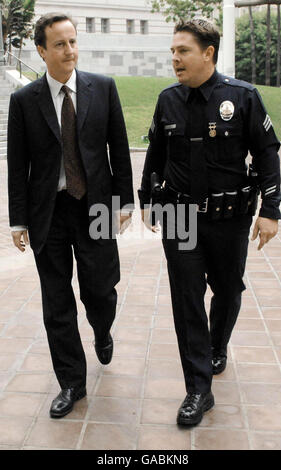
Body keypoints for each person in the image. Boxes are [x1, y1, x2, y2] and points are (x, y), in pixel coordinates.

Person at [138, 18, 281, 426]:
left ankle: (217, 346)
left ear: (208, 53)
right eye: (173, 52)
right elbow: (155, 153)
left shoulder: (243, 96)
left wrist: (271, 210)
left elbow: (267, 154)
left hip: (230, 218)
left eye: (183, 51)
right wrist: (147, 198)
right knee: (186, 300)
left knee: (227, 290)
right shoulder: (168, 100)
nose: (175, 59)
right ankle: (198, 390)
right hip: (179, 214)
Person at [7, 13, 134, 418]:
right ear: (41, 51)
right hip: (49, 213)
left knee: (100, 288)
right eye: (60, 44)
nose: (70, 51)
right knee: (56, 303)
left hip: (95, 206)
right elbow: (18, 165)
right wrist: (18, 220)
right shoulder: (24, 101)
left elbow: (119, 147)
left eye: (73, 42)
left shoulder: (103, 88)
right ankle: (72, 383)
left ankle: (101, 328)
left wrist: (125, 202)